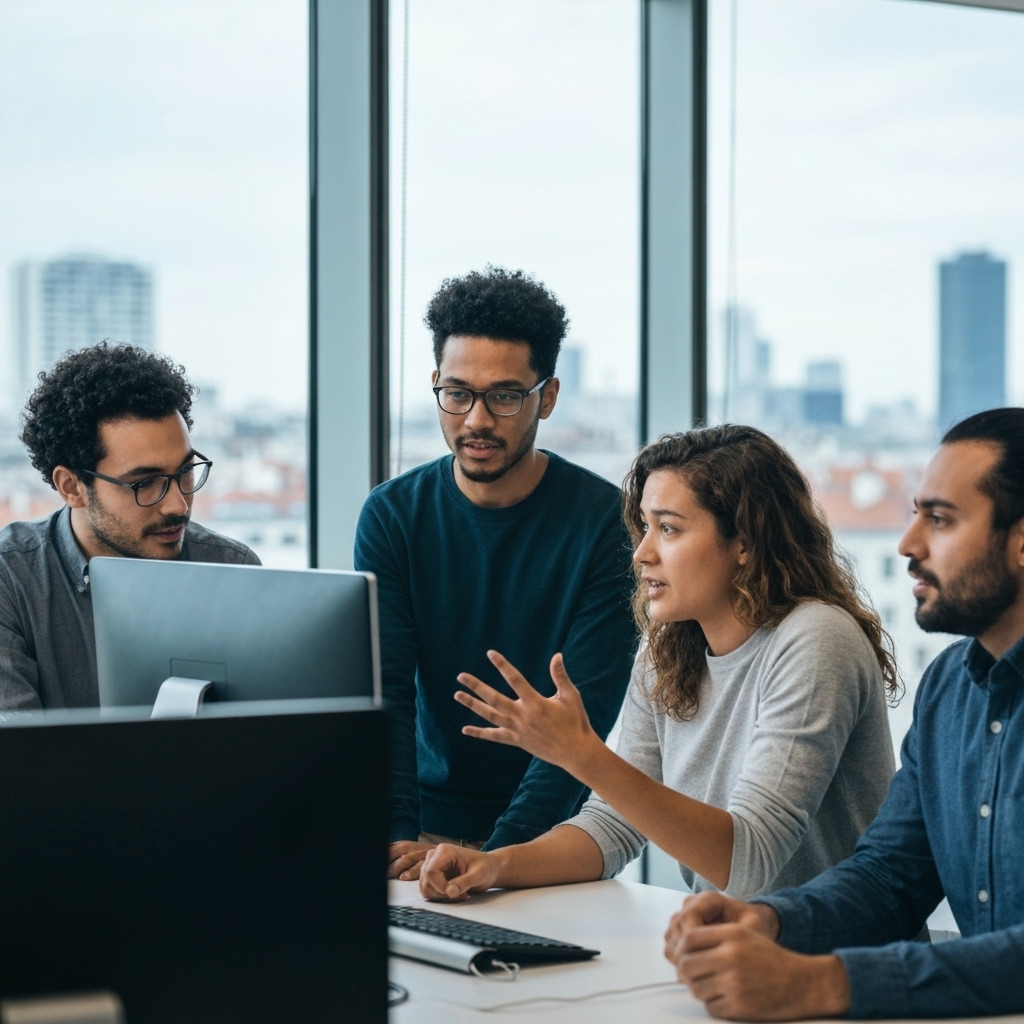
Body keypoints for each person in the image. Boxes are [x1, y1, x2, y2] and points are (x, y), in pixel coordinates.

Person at [419, 425, 898, 903]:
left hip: (841, 964)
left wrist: (583, 754)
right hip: (734, 950)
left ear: (745, 543)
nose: (643, 553)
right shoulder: (668, 651)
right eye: (645, 527)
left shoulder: (816, 639)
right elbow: (614, 823)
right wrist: (496, 863)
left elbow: (751, 862)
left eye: (668, 528)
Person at [663, 408, 1024, 1021]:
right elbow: (891, 876)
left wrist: (828, 983)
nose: (909, 544)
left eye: (939, 519)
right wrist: (768, 920)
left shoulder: (821, 639)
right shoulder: (949, 688)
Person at [354, 267, 635, 879]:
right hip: (420, 828)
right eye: (457, 393)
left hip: (553, 841)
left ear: (548, 396)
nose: (476, 419)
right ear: (436, 385)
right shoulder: (392, 515)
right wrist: (396, 840)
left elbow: (583, 717)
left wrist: (498, 858)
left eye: (505, 396)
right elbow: (387, 695)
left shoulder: (605, 524)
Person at [0, 343, 259, 710]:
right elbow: (18, 758)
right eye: (144, 483)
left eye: (185, 472)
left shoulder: (233, 570)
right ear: (72, 487)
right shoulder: (10, 580)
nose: (178, 505)